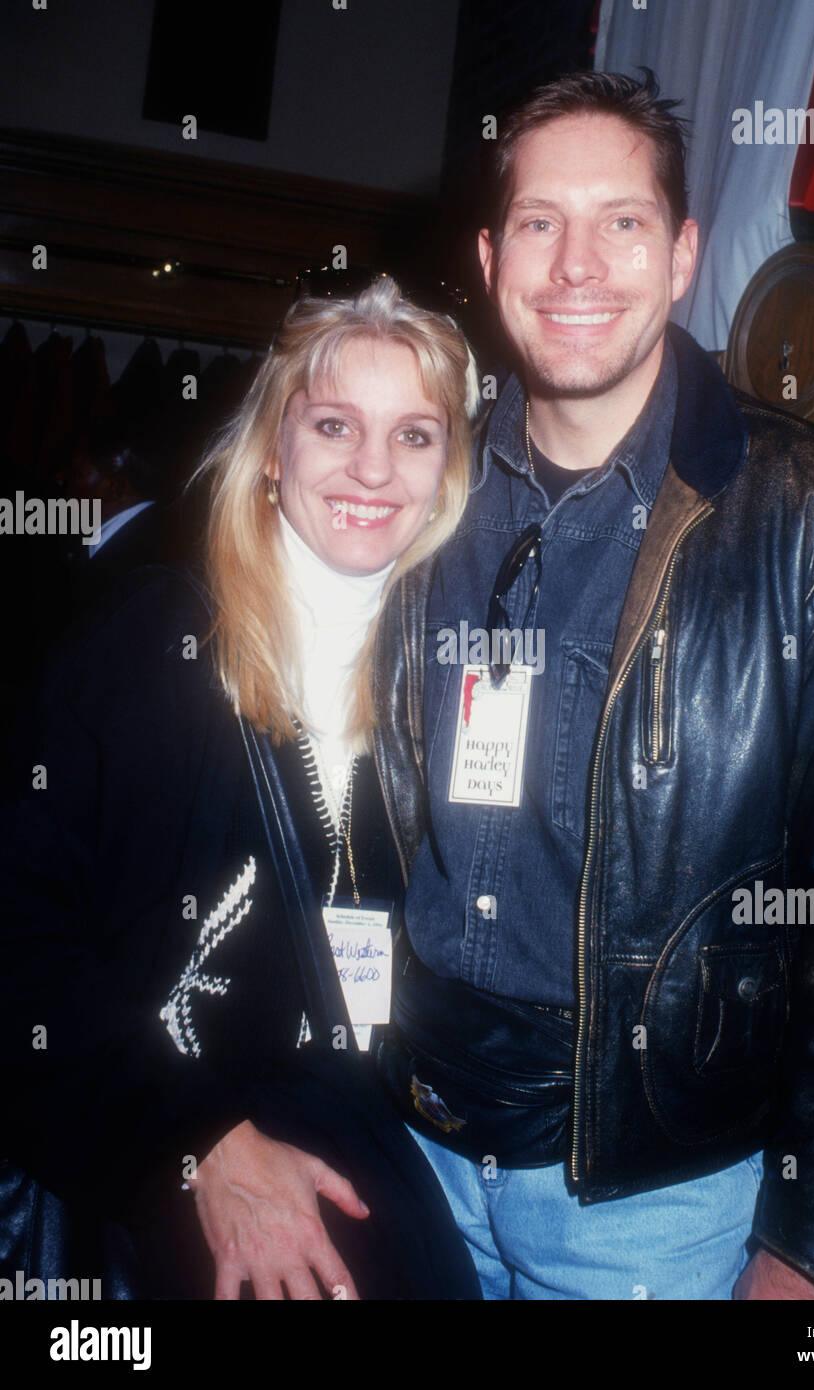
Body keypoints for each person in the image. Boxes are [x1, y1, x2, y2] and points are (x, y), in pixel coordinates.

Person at [370, 72, 814, 1300]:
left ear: (684, 252)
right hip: (413, 1150)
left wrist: (809, 1236)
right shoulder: (410, 496)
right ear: (491, 258)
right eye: (540, 222)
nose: (577, 264)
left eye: (623, 222)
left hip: (659, 1204)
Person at [0, 277, 482, 1300]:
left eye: (413, 435)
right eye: (334, 423)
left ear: (449, 474)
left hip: (382, 1155)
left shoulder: (447, 681)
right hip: (148, 1183)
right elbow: (18, 931)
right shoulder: (158, 642)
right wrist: (193, 1141)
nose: (370, 467)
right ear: (274, 448)